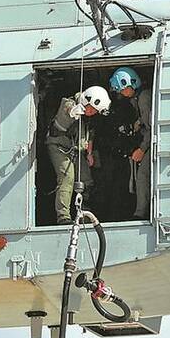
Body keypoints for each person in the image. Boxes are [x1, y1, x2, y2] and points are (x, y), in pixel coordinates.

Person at [46, 85, 110, 225]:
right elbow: (64, 116)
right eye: (92, 109)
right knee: (67, 178)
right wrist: (73, 112)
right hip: (58, 147)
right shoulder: (70, 104)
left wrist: (89, 154)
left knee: (86, 179)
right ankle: (63, 216)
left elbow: (90, 134)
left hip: (75, 149)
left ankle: (84, 212)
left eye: (95, 111)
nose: (92, 113)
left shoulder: (89, 116)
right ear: (87, 101)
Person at [108, 67, 152, 220]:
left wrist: (141, 149)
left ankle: (140, 213)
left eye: (121, 89)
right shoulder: (137, 99)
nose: (120, 93)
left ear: (129, 84)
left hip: (150, 143)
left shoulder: (144, 98)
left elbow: (151, 128)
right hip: (147, 141)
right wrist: (138, 123)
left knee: (142, 175)